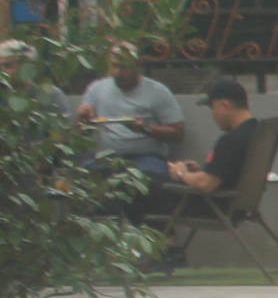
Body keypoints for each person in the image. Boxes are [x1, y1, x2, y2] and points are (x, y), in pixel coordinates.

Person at [75, 44, 185, 179]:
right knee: (83, 177)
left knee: (149, 179)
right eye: (114, 66)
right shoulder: (97, 88)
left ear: (137, 65)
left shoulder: (158, 92)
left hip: (146, 157)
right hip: (105, 157)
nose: (117, 73)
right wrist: (83, 118)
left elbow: (178, 134)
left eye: (123, 67)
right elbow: (81, 130)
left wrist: (145, 129)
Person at [167, 79, 262, 197]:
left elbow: (206, 184)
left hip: (213, 204)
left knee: (147, 184)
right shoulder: (257, 130)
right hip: (235, 200)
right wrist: (204, 171)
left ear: (225, 106)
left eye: (212, 108)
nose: (212, 115)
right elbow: (229, 172)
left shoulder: (232, 140)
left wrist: (181, 173)